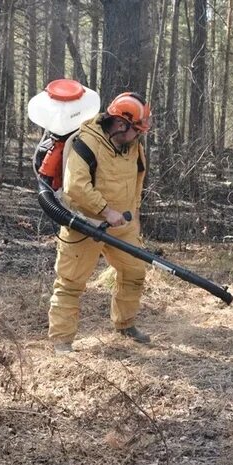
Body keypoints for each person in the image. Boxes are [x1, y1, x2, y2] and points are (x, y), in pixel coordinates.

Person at [48, 92, 152, 352]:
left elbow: (137, 179)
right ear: (120, 123)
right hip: (85, 225)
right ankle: (62, 342)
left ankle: (125, 325)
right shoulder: (86, 143)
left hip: (123, 225)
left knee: (134, 272)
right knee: (70, 283)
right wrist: (105, 212)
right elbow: (76, 187)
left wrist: (133, 215)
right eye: (135, 129)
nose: (138, 135)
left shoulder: (133, 146)